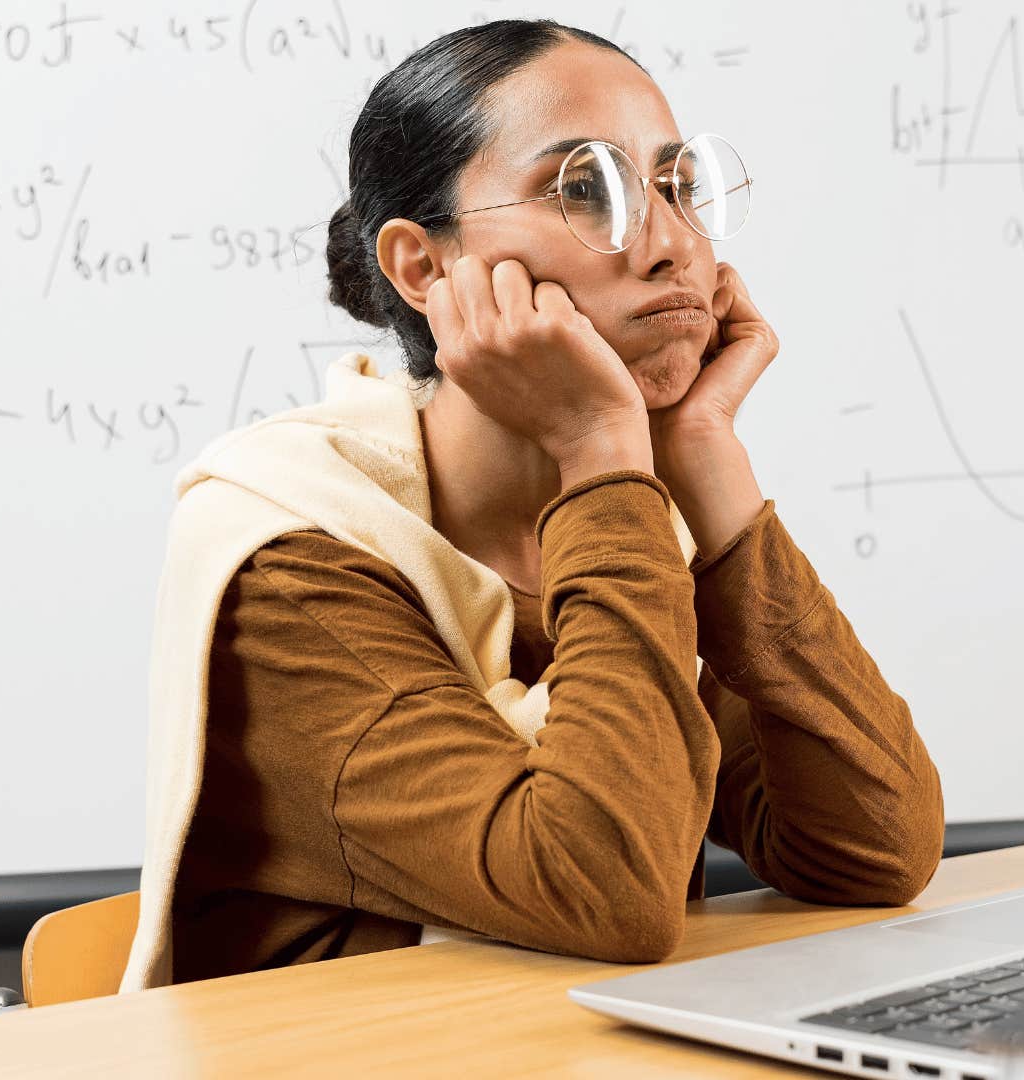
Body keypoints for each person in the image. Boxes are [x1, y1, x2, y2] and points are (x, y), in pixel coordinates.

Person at [125, 17, 944, 990]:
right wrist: (601, 449)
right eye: (587, 189)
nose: (675, 247)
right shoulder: (289, 550)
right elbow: (607, 890)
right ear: (424, 267)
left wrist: (708, 463)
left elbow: (876, 847)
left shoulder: (637, 532)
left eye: (678, 189)